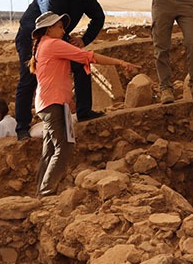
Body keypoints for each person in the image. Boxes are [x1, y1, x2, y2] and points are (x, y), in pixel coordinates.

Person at [29, 12, 139, 197]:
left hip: (47, 103)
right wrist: (121, 63)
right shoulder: (53, 44)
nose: (63, 30)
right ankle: (46, 192)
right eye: (60, 27)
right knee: (63, 147)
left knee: (49, 149)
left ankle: (41, 191)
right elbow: (89, 56)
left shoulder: (42, 45)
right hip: (52, 103)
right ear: (49, 29)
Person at [14, 0, 105, 140]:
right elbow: (50, 26)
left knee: (81, 63)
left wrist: (83, 40)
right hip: (32, 38)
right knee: (29, 77)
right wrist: (68, 46)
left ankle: (84, 111)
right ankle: (22, 128)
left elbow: (98, 17)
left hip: (57, 35)